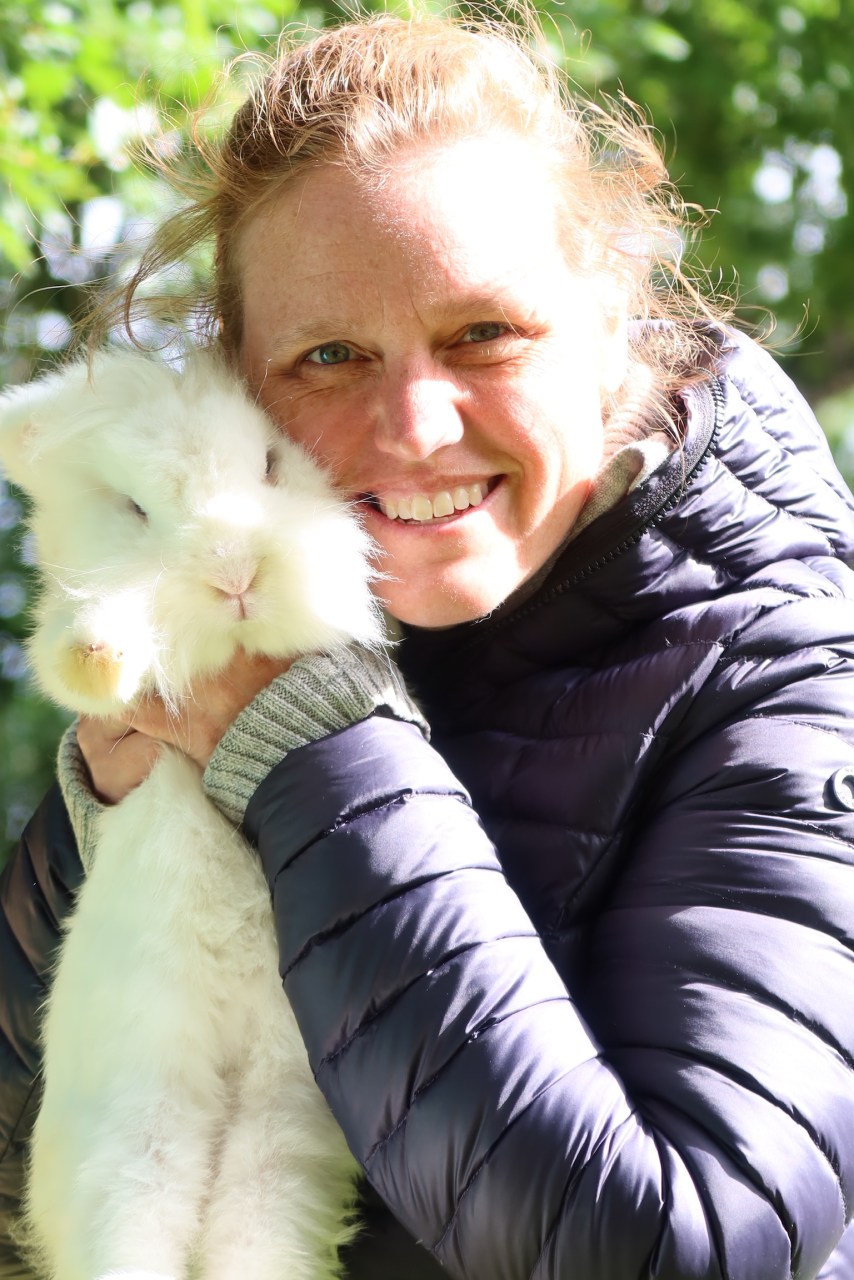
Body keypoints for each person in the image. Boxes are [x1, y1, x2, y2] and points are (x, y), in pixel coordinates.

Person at [4, 11, 854, 1278]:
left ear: (610, 323)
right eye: (328, 355)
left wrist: (315, 751)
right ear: (241, 381)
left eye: (483, 334)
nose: (412, 426)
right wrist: (106, 833)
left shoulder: (790, 676)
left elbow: (679, 1242)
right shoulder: (240, 637)